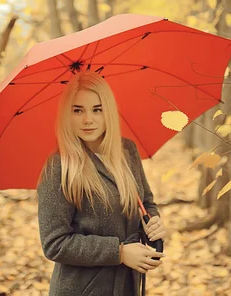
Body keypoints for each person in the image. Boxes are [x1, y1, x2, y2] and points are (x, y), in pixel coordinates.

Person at [37, 71, 167, 296]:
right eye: (78, 110)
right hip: (82, 289)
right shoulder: (59, 167)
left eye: (97, 109)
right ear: (67, 115)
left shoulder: (127, 151)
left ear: (109, 112)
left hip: (127, 285)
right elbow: (55, 243)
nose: (88, 119)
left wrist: (152, 223)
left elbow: (145, 202)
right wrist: (119, 252)